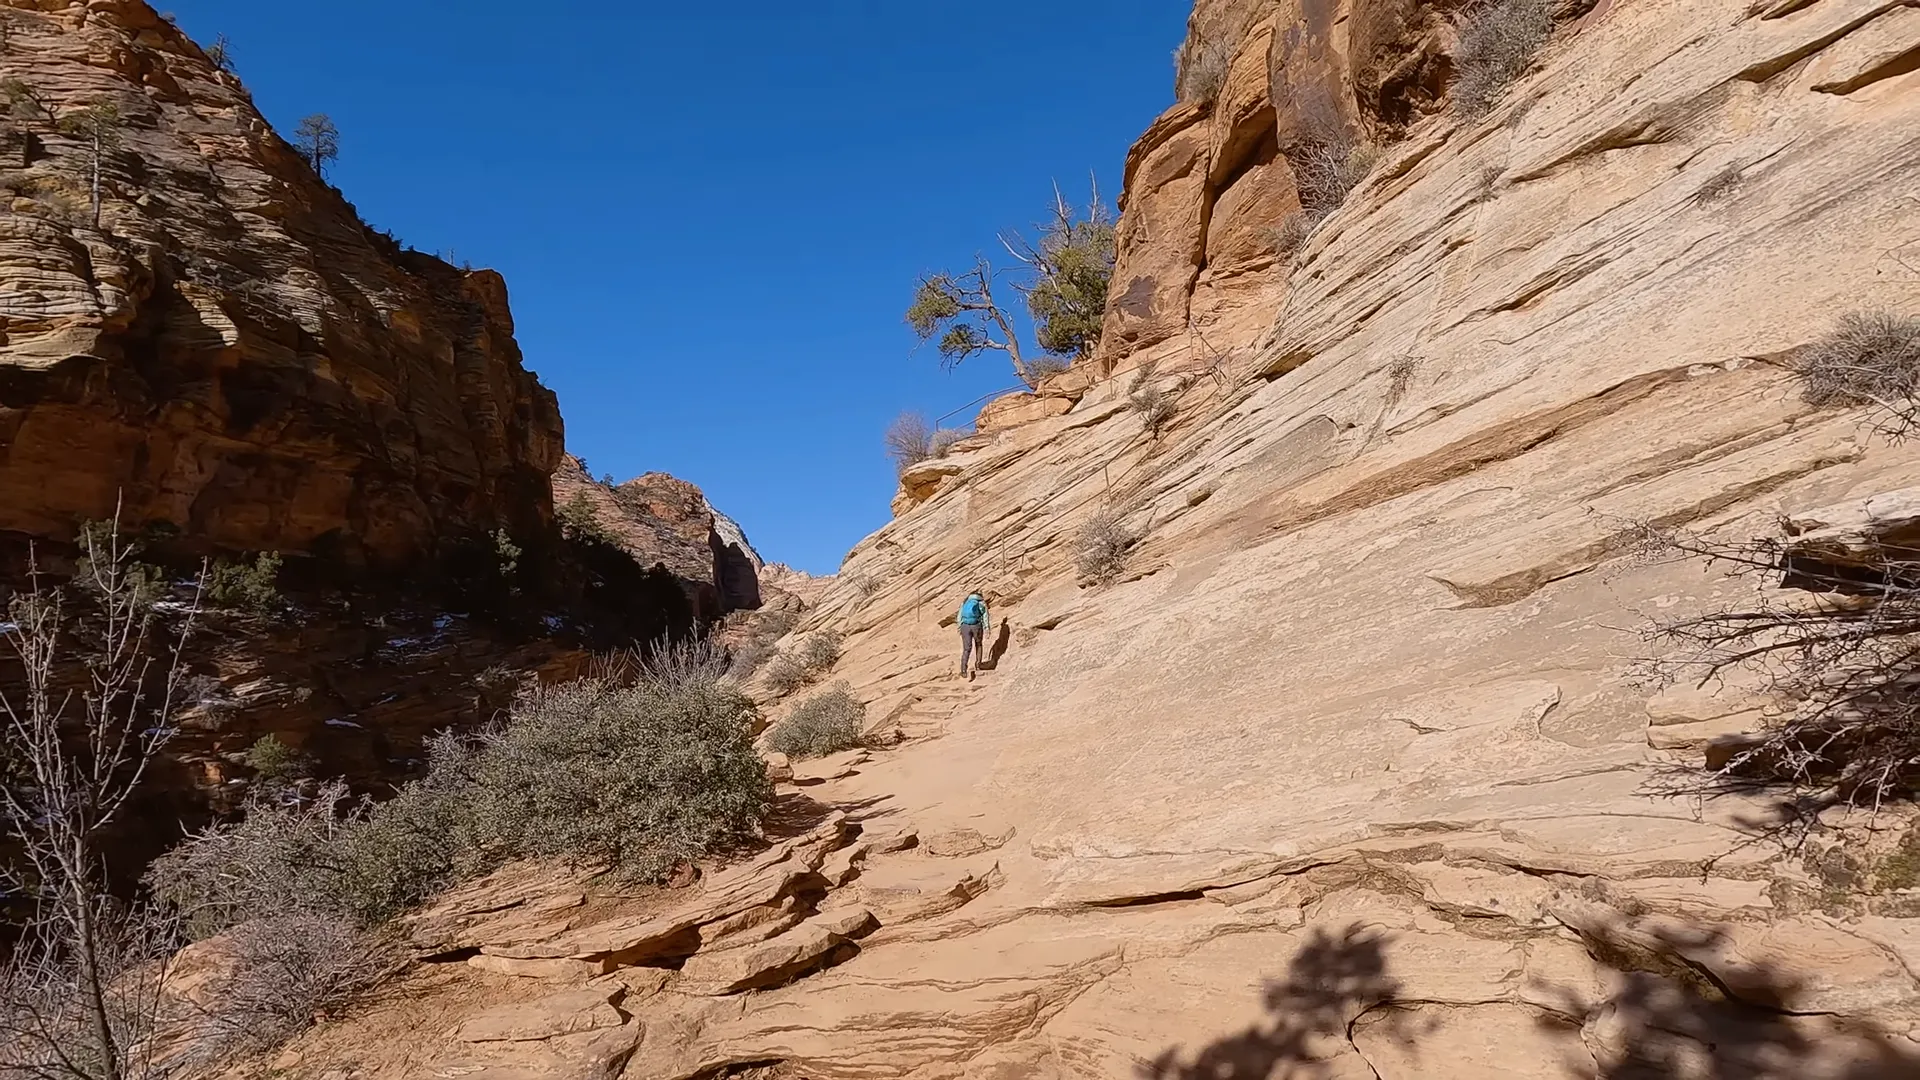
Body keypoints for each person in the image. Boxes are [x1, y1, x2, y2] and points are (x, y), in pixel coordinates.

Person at [957, 590, 989, 680]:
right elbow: (985, 616)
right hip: (976, 625)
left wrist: (959, 627)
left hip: (965, 626)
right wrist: (987, 628)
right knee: (978, 644)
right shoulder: (981, 602)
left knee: (966, 649)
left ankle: (963, 669)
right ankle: (978, 664)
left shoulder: (965, 601)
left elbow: (959, 615)